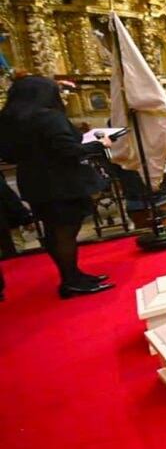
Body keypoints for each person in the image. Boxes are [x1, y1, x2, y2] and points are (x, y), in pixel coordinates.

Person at [0, 76, 114, 298]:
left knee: (55, 231)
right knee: (65, 232)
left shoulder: (8, 121)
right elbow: (67, 151)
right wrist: (99, 144)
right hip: (63, 182)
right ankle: (71, 281)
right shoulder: (49, 117)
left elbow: (8, 155)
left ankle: (73, 275)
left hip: (34, 181)